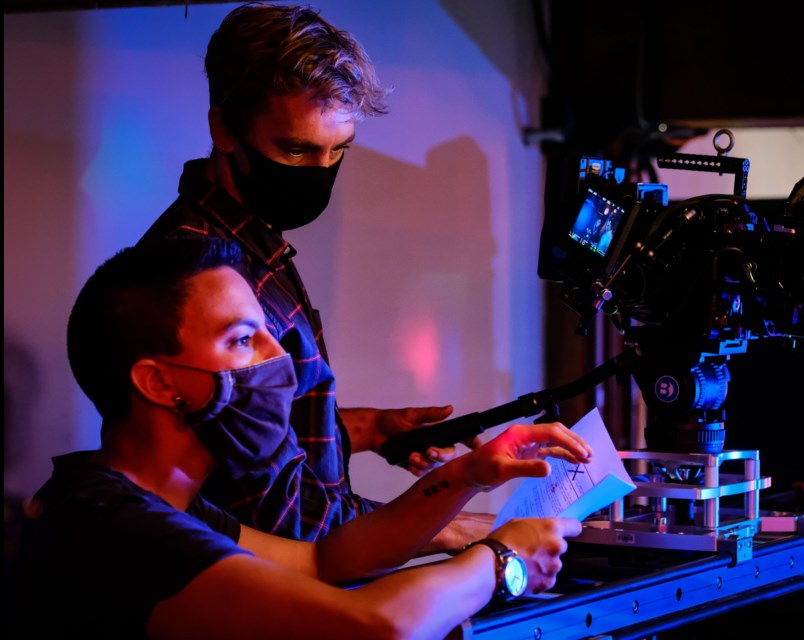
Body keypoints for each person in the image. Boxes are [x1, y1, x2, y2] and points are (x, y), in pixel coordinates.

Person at [12, 237, 590, 639]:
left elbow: (325, 559)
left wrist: (467, 474)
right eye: (243, 340)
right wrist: (502, 560)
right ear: (160, 382)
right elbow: (372, 627)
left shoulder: (166, 506)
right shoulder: (109, 523)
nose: (276, 357)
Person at [140, 2, 489, 551]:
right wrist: (452, 516)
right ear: (223, 129)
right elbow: (285, 522)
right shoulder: (208, 277)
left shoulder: (253, 244)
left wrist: (371, 429)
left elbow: (253, 441)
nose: (319, 174)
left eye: (337, 152)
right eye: (296, 150)